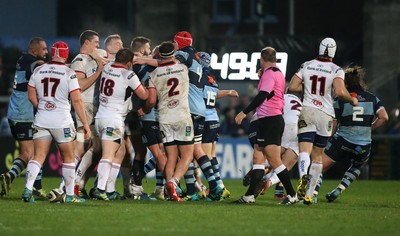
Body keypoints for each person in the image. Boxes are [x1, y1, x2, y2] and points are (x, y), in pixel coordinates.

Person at [288, 37, 358, 205]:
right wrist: (352, 100)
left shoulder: (306, 65)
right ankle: (310, 194)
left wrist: (307, 90)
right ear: (334, 51)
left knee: (304, 150)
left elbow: (292, 87)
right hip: (326, 113)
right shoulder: (336, 69)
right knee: (318, 156)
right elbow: (340, 92)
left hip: (307, 110)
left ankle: (303, 176)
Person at [22, 41, 90, 203]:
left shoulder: (38, 70)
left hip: (42, 119)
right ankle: (70, 196)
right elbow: (77, 101)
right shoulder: (69, 73)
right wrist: (85, 124)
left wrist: (43, 108)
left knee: (38, 156)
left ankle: (27, 190)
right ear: (66, 55)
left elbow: (31, 96)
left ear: (53, 53)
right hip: (62, 121)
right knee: (68, 158)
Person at [235, 47, 298, 204]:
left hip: (270, 120)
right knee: (258, 157)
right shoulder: (278, 73)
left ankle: (292, 194)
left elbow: (262, 96)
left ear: (262, 59)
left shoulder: (269, 74)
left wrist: (244, 112)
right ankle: (249, 195)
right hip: (270, 119)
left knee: (275, 161)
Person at [317, 66, 388, 202]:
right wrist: (370, 128)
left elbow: (335, 123)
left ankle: (313, 193)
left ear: (345, 84)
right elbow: (384, 117)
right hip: (363, 144)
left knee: (319, 166)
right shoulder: (373, 98)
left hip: (343, 141)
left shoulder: (340, 100)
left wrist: (328, 138)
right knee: (357, 165)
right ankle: (338, 190)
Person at [92, 48, 148, 200]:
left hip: (101, 117)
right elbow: (143, 94)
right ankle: (100, 188)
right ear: (129, 63)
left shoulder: (108, 67)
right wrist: (149, 88)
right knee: (109, 154)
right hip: (113, 119)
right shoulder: (128, 74)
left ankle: (110, 189)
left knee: (121, 151)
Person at [173, 31, 223, 201]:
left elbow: (170, 64)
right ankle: (212, 185)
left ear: (178, 42)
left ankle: (196, 189)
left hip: (189, 110)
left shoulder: (183, 53)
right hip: (202, 111)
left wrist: (145, 60)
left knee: (186, 150)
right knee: (196, 149)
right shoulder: (197, 60)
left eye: (174, 43)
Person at [145, 41, 194, 202]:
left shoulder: (153, 75)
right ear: (174, 53)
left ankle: (169, 191)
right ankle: (173, 183)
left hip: (164, 118)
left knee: (170, 156)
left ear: (159, 54)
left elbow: (151, 100)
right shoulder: (183, 68)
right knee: (187, 156)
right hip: (182, 116)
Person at [1, 37, 48, 198]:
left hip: (16, 114)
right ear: (34, 50)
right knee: (32, 154)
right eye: (44, 49)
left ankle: (28, 184)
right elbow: (47, 68)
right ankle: (16, 179)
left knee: (31, 152)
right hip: (24, 115)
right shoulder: (33, 62)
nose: (46, 52)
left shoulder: (23, 59)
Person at [70, 30, 106, 197]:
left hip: (94, 106)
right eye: (96, 43)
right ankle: (68, 185)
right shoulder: (79, 60)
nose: (98, 46)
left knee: (97, 149)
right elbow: (80, 85)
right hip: (84, 106)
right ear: (87, 43)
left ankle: (80, 183)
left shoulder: (93, 59)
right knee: (81, 148)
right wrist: (98, 72)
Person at [198, 51, 239, 200]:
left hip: (204, 118)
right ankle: (220, 185)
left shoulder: (198, 75)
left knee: (202, 156)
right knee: (211, 155)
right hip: (214, 118)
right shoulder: (211, 77)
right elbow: (214, 94)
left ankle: (212, 189)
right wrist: (228, 92)